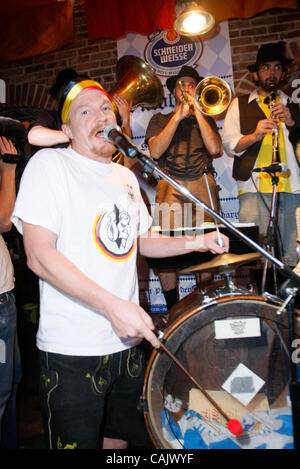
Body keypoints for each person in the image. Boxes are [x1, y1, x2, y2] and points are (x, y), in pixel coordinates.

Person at [11, 77, 229, 450]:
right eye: (86, 110)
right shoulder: (50, 166)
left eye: (106, 109)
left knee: (120, 441)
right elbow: (39, 255)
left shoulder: (124, 175)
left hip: (125, 343)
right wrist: (112, 306)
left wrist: (199, 241)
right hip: (73, 350)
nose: (100, 115)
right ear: (65, 130)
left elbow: (141, 240)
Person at [145, 65, 223, 310]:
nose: (187, 89)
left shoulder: (206, 118)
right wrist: (178, 116)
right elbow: (155, 151)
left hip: (202, 185)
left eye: (192, 85)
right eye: (183, 85)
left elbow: (215, 149)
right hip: (170, 188)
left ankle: (203, 308)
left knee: (206, 250)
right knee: (166, 254)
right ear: (175, 92)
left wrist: (198, 112)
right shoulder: (159, 119)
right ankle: (173, 310)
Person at [222, 42, 300, 270]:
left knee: (292, 255)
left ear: (284, 73)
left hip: (292, 187)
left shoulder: (294, 105)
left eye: (277, 67)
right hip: (253, 187)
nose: (272, 73)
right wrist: (255, 135)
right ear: (256, 74)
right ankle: (261, 305)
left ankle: (291, 304)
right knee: (257, 255)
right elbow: (229, 145)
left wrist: (293, 123)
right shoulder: (239, 104)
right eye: (266, 67)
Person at [28, 68, 132, 149]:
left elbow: (126, 146)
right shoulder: (52, 116)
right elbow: (34, 137)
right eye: (65, 90)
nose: (69, 94)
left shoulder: (94, 116)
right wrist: (79, 134)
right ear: (58, 96)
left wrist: (126, 120)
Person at [0, 136, 22, 449]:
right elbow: (5, 221)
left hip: (5, 300)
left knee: (12, 380)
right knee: (2, 388)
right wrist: (8, 170)